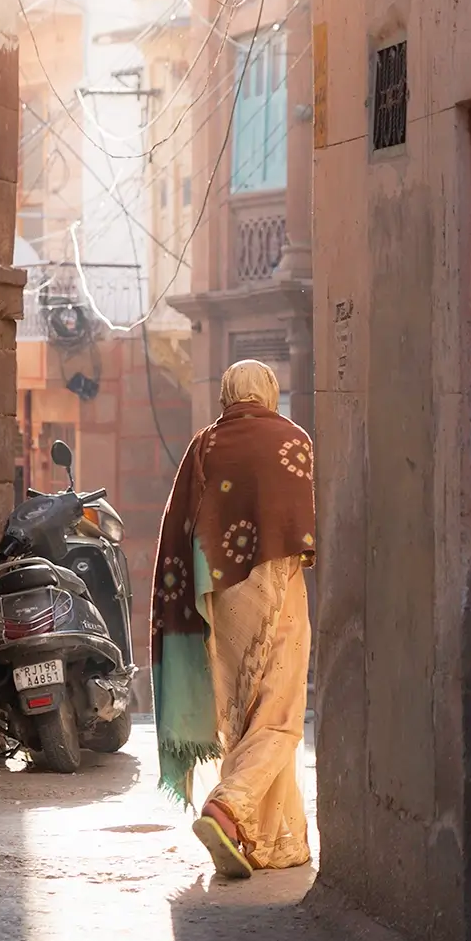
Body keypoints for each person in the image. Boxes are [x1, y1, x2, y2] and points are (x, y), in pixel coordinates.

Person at [150, 360, 316, 878]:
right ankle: (229, 805)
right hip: (276, 585)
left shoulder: (205, 444)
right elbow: (298, 527)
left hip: (217, 596)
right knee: (281, 713)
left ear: (227, 393)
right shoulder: (294, 440)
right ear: (267, 392)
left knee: (243, 716)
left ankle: (269, 841)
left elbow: (184, 526)